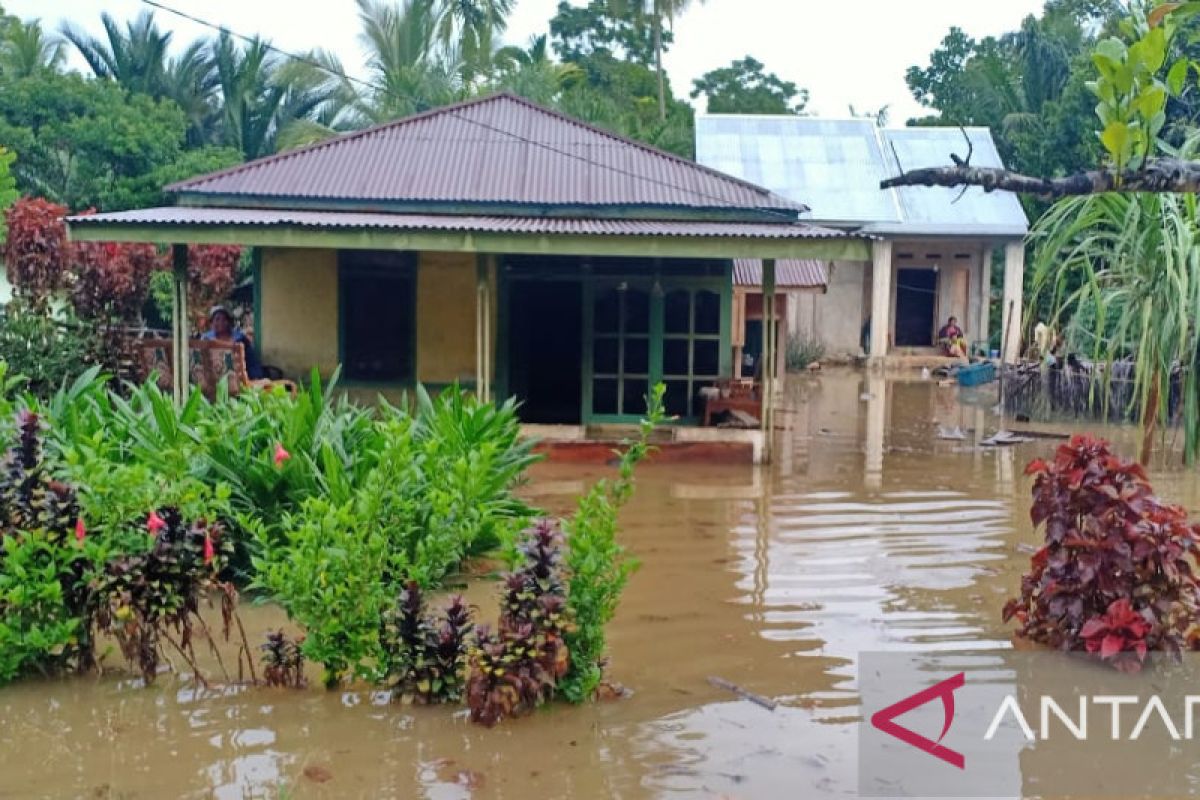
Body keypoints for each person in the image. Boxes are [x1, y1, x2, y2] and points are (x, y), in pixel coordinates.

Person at [202, 305, 263, 379]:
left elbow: (252, 362)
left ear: (229, 322)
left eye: (224, 319)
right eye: (217, 319)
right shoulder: (206, 338)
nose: (220, 322)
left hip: (240, 377)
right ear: (211, 323)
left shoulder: (240, 339)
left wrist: (255, 378)